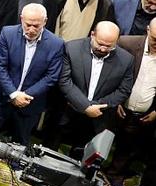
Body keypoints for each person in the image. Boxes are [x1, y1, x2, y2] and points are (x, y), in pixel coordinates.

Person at [0, 4, 64, 171]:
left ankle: (17, 164)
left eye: (36, 25)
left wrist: (25, 95)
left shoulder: (56, 44)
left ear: (45, 22)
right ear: (21, 19)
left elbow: (51, 76)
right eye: (28, 24)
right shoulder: (7, 33)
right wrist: (13, 93)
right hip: (4, 95)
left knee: (22, 135)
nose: (31, 29)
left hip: (31, 101)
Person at [56, 21, 134, 155]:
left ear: (117, 41)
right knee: (51, 147)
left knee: (82, 156)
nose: (103, 49)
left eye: (109, 46)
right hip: (68, 110)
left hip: (99, 116)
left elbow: (124, 90)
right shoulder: (72, 48)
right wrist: (85, 106)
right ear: (92, 34)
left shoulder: (126, 59)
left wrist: (96, 106)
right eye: (100, 44)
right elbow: (64, 81)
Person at [106, 18, 156, 186]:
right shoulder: (127, 44)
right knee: (102, 139)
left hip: (144, 113)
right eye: (155, 39)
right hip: (116, 105)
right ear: (148, 30)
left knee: (129, 146)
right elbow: (109, 73)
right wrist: (116, 101)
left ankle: (115, 175)